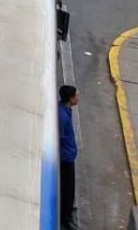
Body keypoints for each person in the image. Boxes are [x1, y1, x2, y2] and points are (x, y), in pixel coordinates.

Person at [59, 85, 79, 229]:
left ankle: (68, 208)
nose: (78, 97)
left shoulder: (66, 110)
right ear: (70, 98)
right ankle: (66, 218)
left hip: (68, 155)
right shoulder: (63, 117)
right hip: (65, 158)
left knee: (69, 186)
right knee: (68, 187)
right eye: (76, 95)